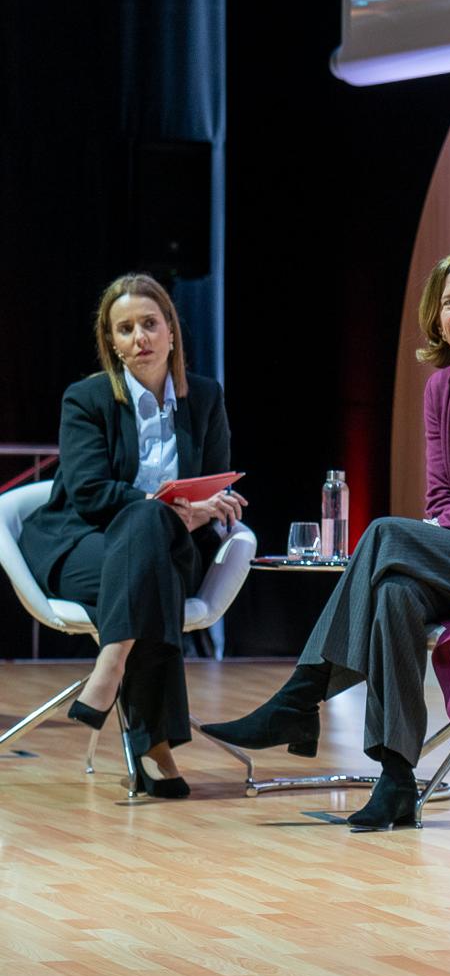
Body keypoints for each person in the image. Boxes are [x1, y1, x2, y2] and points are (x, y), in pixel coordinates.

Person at [202, 250, 450, 829]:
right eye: (449, 303)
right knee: (395, 593)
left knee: (381, 534)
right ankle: (397, 779)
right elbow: (439, 503)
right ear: (436, 317)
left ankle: (300, 697)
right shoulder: (439, 389)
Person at [19, 274, 244, 798]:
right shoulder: (87, 399)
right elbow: (90, 494)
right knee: (148, 533)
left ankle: (112, 660)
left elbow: (215, 476)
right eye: (126, 329)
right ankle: (155, 745)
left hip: (169, 548)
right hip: (82, 545)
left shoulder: (205, 397)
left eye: (149, 323)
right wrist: (168, 508)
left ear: (171, 333)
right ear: (111, 342)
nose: (139, 337)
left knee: (151, 551)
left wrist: (210, 508)